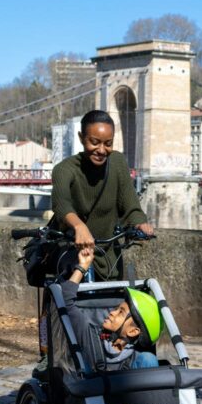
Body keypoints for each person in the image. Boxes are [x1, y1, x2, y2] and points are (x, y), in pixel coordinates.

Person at [50, 109, 154, 281]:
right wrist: (79, 227)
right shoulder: (64, 169)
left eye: (108, 143)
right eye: (94, 142)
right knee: (72, 303)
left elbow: (130, 204)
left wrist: (139, 223)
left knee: (115, 303)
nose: (102, 150)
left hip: (110, 255)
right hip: (73, 254)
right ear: (81, 138)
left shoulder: (117, 162)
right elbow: (61, 204)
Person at [59, 247, 160, 371]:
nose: (112, 312)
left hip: (133, 386)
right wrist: (82, 266)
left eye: (121, 312)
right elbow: (65, 300)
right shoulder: (90, 337)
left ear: (133, 331)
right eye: (116, 309)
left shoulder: (140, 361)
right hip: (92, 389)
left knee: (149, 359)